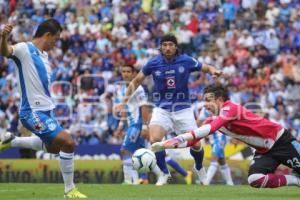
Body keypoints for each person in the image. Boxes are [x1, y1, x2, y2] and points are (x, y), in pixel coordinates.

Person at [116, 34, 221, 185]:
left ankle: (199, 167)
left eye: (171, 44)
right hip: (162, 108)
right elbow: (137, 80)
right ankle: (164, 174)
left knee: (196, 144)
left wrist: (213, 71)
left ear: (176, 47)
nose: (167, 47)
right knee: (155, 141)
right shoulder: (153, 63)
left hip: (183, 109)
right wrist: (123, 101)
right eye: (164, 45)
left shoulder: (185, 60)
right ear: (161, 47)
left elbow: (204, 67)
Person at [0, 19, 86, 198]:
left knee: (57, 149)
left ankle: (12, 141)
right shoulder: (24, 49)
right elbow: (6, 52)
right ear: (47, 35)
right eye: (55, 39)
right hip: (32, 111)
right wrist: (3, 38)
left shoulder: (45, 57)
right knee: (68, 142)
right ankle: (69, 191)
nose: (56, 43)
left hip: (47, 111)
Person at [152, 85, 300, 188]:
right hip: (265, 151)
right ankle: (295, 181)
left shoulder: (230, 108)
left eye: (208, 100)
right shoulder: (213, 119)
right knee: (255, 179)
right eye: (204, 100)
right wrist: (169, 144)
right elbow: (195, 140)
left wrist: (179, 138)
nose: (205, 105)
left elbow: (211, 128)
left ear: (220, 99)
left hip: (281, 141)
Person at [113, 64, 152, 185]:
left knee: (125, 150)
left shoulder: (138, 88)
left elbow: (144, 106)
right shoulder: (122, 89)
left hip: (137, 124)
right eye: (123, 71)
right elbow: (126, 109)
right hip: (131, 124)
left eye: (128, 72)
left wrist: (145, 126)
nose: (125, 74)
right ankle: (143, 179)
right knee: (139, 152)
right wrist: (120, 126)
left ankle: (128, 181)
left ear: (134, 74)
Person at [198, 108, 234, 185]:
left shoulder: (220, 118)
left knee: (213, 159)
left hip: (220, 140)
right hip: (213, 141)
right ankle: (230, 182)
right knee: (222, 161)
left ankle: (206, 181)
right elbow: (203, 129)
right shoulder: (210, 118)